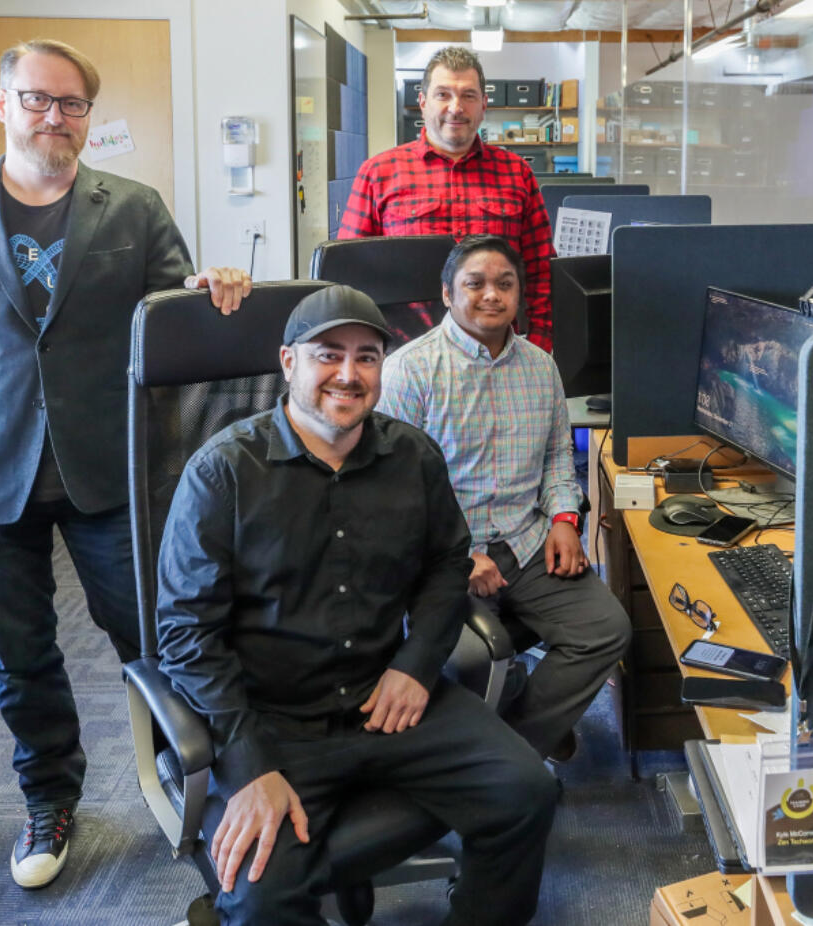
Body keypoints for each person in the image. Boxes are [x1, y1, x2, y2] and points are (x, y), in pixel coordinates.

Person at [0, 38, 250, 890]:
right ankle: (47, 797)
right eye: (39, 99)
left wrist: (214, 288)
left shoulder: (130, 205)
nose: (56, 117)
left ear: (89, 114)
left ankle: (189, 777)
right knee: (21, 656)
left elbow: (171, 320)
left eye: (73, 104)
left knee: (156, 634)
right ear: (4, 104)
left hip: (113, 468)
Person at [155, 285, 558, 926]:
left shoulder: (413, 457)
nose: (348, 374)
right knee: (262, 895)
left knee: (527, 791)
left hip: (386, 701)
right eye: (328, 355)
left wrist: (417, 663)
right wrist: (249, 765)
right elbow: (185, 633)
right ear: (289, 362)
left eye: (367, 357)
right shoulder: (224, 473)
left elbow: (445, 566)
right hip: (273, 719)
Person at [377, 235, 631, 762]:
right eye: (475, 284)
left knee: (606, 631)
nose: (491, 295)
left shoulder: (541, 367)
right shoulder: (410, 371)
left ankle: (512, 747)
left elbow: (559, 456)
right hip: (449, 556)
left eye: (504, 284)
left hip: (527, 536)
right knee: (466, 659)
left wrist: (565, 518)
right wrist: (457, 557)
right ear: (447, 294)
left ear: (520, 294)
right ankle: (518, 748)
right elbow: (392, 491)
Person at [336, 45, 557, 353]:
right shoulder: (378, 173)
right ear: (423, 103)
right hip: (404, 356)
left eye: (468, 95)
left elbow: (541, 270)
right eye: (443, 94)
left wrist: (541, 346)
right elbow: (349, 277)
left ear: (483, 105)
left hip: (495, 354)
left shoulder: (516, 173)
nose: (456, 107)